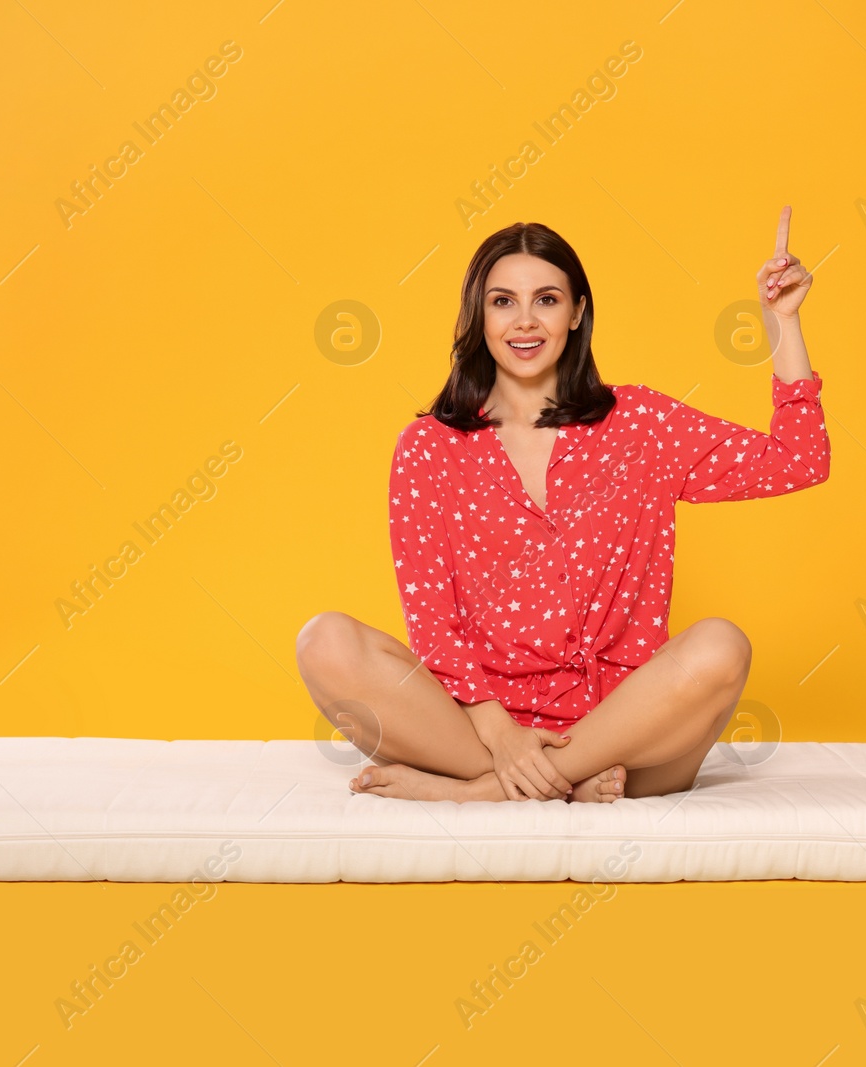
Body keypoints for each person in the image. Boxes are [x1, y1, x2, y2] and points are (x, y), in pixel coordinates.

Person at [296, 206, 830, 803]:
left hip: (629, 739)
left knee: (721, 645)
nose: (525, 321)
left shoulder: (640, 423)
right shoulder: (429, 448)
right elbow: (433, 623)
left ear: (576, 312)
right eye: (503, 301)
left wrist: (781, 320)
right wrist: (502, 736)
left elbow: (798, 461)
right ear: (479, 314)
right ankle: (540, 780)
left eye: (546, 299)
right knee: (325, 642)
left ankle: (484, 793)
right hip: (479, 728)